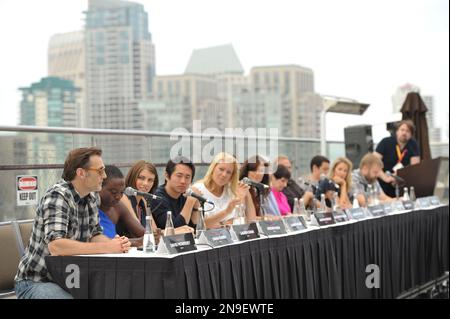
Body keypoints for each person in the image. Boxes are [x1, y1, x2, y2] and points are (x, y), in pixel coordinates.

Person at [14, 147, 131, 299]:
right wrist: (107, 247)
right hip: (36, 282)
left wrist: (116, 244)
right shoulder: (57, 196)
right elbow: (56, 246)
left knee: (117, 291)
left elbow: (94, 235)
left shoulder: (93, 197)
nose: (105, 175)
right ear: (81, 173)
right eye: (100, 171)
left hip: (71, 279)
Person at [98, 165, 161, 246]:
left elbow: (141, 233)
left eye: (121, 192)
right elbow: (96, 241)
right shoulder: (89, 205)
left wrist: (154, 236)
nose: (118, 197)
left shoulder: (118, 206)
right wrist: (138, 241)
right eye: (113, 192)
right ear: (99, 186)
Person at [193, 152, 256, 229]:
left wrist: (246, 194)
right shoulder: (198, 190)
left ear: (232, 176)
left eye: (228, 172)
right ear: (213, 168)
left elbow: (251, 220)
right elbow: (200, 225)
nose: (224, 175)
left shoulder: (232, 191)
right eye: (221, 169)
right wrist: (226, 216)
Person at [151, 157, 200, 230]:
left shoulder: (185, 195)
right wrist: (190, 202)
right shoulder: (157, 197)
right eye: (179, 176)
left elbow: (195, 229)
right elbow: (175, 230)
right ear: (167, 176)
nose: (183, 181)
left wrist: (196, 207)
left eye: (187, 177)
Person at [375, 120, 420, 197]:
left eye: (408, 131)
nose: (404, 133)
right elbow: (373, 162)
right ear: (397, 132)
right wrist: (385, 177)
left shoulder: (413, 144)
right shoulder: (385, 142)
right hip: (383, 181)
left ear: (411, 134)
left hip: (403, 182)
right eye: (402, 130)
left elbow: (415, 167)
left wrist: (400, 175)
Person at [118, 160, 158, 237]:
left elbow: (154, 231)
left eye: (150, 180)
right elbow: (139, 232)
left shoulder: (144, 200)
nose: (145, 183)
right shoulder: (124, 197)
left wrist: (175, 230)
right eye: (141, 178)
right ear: (133, 177)